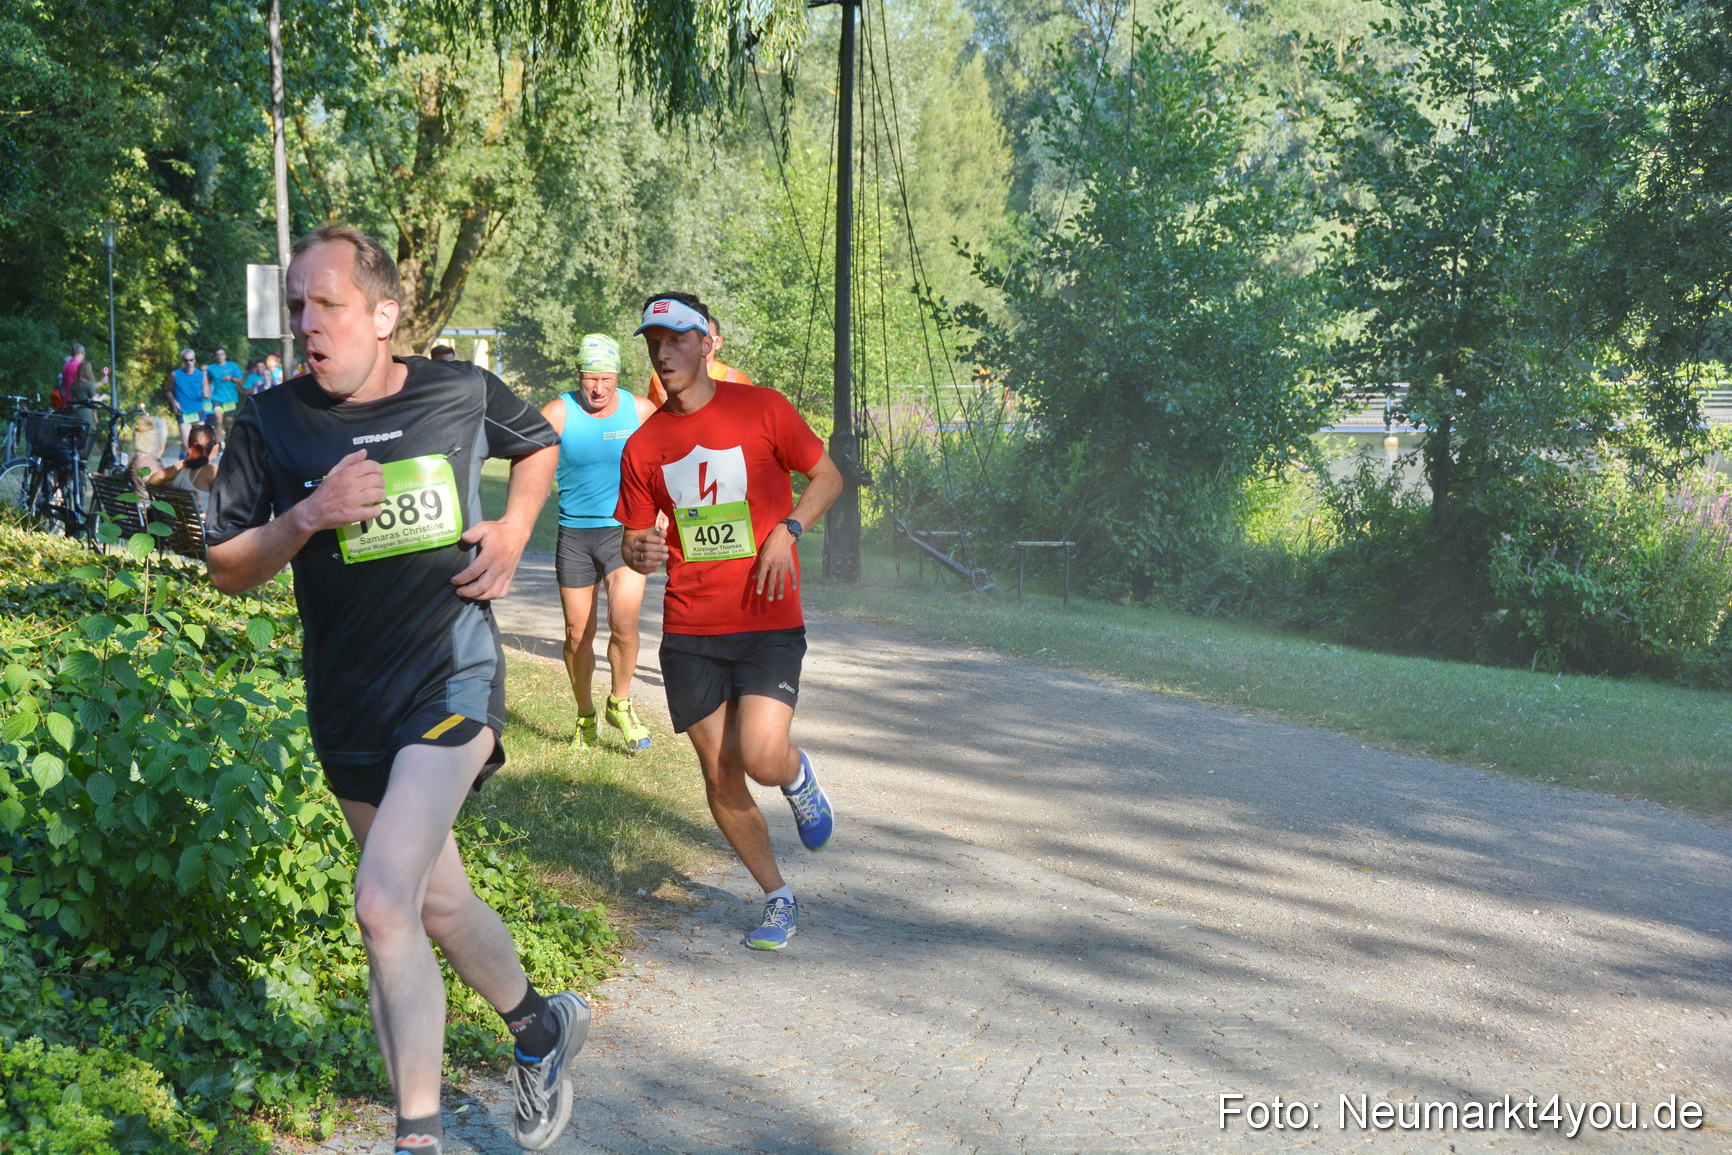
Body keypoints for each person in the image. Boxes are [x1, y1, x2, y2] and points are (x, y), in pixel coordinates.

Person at [205, 223, 585, 1155]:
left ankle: (417, 1137)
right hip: (349, 700)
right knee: (435, 903)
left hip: (450, 676)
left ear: (384, 314)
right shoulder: (271, 421)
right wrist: (308, 514)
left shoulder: (457, 391)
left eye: (325, 304)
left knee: (382, 901)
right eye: (297, 306)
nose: (306, 324)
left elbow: (537, 444)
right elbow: (224, 565)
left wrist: (513, 527)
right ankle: (541, 1029)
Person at [618, 292, 843, 951]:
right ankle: (778, 897)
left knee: (761, 752)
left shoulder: (763, 408)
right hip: (691, 628)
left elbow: (827, 475)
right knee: (720, 772)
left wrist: (788, 530)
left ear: (707, 343)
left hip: (768, 615)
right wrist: (640, 549)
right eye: (654, 340)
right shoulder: (644, 445)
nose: (664, 352)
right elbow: (635, 539)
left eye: (677, 338)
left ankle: (797, 777)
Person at [539, 333, 657, 753]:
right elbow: (527, 459)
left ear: (617, 376)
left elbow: (669, 457)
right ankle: (586, 714)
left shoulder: (640, 410)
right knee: (577, 635)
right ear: (579, 375)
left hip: (627, 531)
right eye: (591, 379)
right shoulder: (558, 412)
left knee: (624, 623)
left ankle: (620, 703)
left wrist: (660, 509)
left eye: (606, 379)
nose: (599, 388)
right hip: (574, 534)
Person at [644, 313, 752, 407]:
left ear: (717, 342)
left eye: (708, 339)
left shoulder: (736, 378)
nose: (703, 344)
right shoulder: (663, 376)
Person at [146, 422, 218, 510]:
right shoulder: (211, 472)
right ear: (215, 448)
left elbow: (153, 480)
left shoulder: (179, 467)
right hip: (202, 523)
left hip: (178, 522)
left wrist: (175, 489)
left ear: (189, 445)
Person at [168, 349, 209, 456]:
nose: (189, 363)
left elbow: (207, 392)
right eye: (186, 360)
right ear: (183, 361)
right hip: (183, 411)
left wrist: (206, 394)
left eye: (191, 360)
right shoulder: (175, 374)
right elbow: (168, 390)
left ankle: (198, 466)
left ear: (195, 360)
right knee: (186, 444)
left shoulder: (201, 375)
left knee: (200, 442)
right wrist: (174, 401)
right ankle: (184, 461)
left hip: (198, 410)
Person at [205, 348, 243, 441]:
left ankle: (228, 437)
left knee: (229, 421)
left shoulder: (233, 366)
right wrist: (207, 391)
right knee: (218, 420)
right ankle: (218, 444)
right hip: (217, 397)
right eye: (217, 354)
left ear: (225, 356)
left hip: (230, 398)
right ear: (215, 357)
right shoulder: (211, 368)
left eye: (222, 354)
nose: (220, 356)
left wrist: (231, 378)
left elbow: (241, 381)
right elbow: (208, 381)